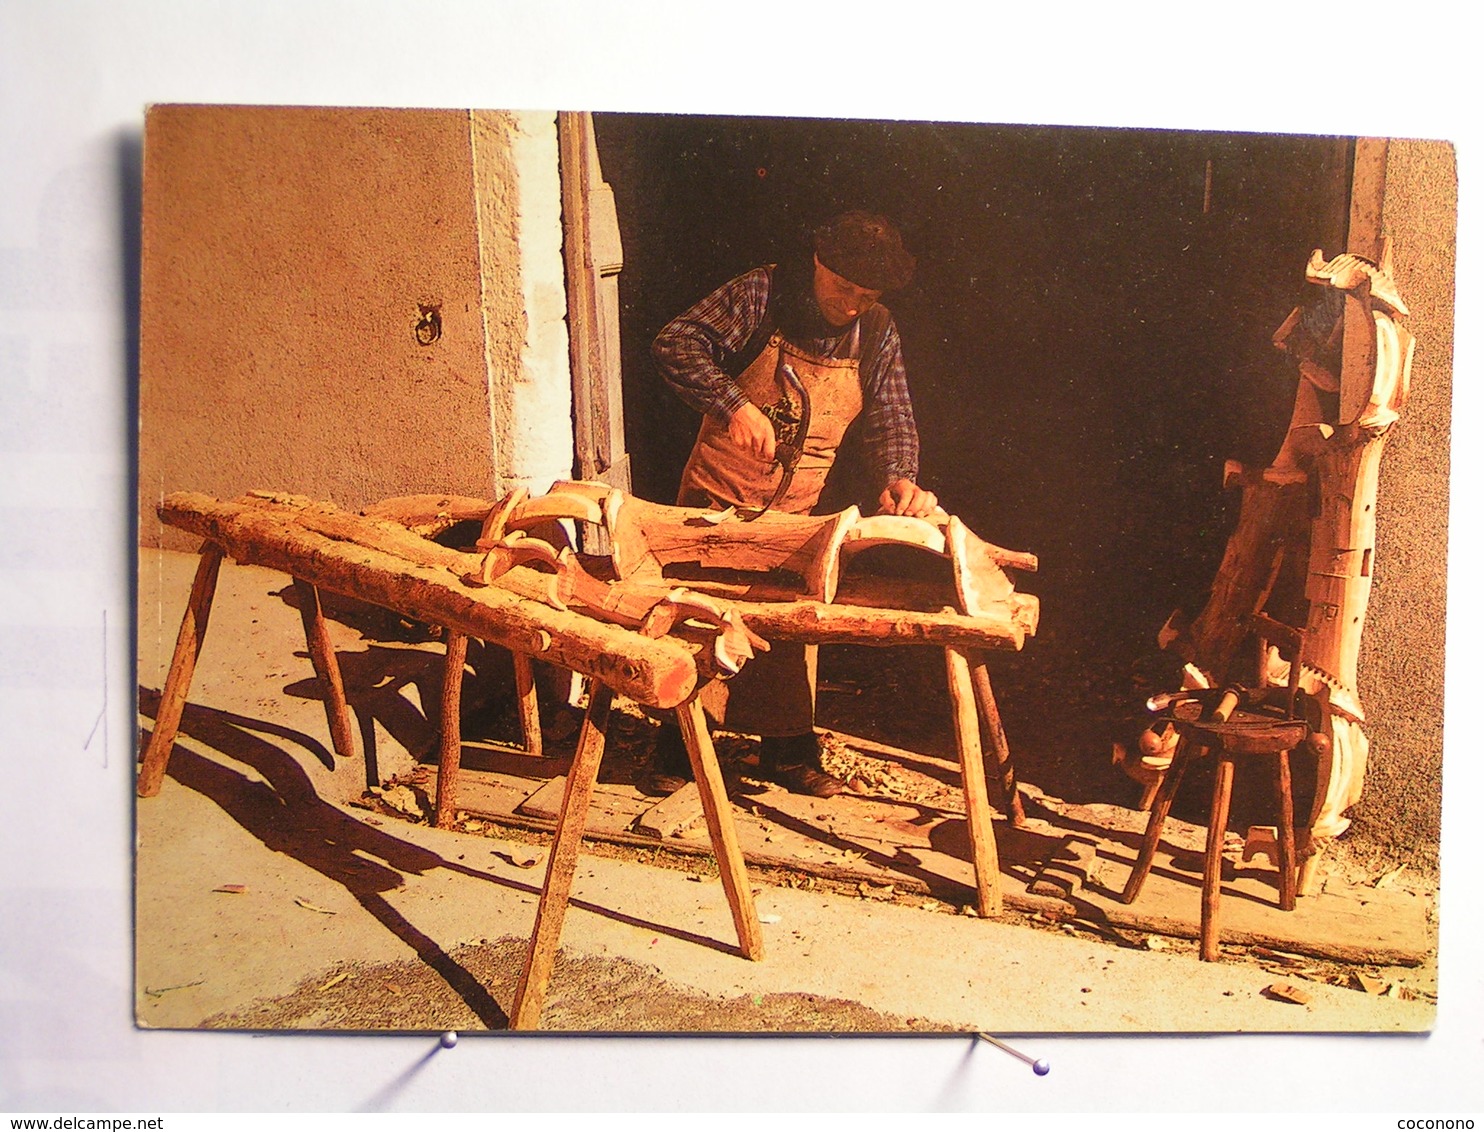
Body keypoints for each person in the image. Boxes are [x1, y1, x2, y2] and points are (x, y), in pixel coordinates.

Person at [645, 211, 938, 797]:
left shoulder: (878, 331)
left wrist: (899, 476)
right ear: (817, 264)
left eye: (866, 294)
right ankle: (677, 752)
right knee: (705, 618)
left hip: (796, 505)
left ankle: (788, 755)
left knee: (791, 623)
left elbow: (892, 415)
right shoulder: (764, 291)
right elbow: (675, 342)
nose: (852, 304)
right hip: (718, 496)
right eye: (842, 288)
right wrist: (733, 405)